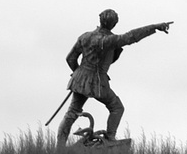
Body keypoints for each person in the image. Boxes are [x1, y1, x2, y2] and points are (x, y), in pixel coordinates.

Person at [57, 9, 173, 145]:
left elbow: (70, 58)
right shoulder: (108, 40)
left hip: (80, 79)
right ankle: (110, 138)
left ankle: (60, 147)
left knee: (72, 112)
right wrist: (155, 27)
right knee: (116, 107)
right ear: (114, 24)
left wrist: (79, 75)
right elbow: (131, 36)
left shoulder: (85, 37)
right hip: (97, 82)